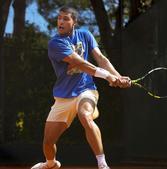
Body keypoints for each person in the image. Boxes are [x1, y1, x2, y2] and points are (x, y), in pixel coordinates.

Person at [31, 6, 131, 169]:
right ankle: (51, 163)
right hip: (63, 96)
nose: (60, 21)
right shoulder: (55, 43)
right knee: (48, 142)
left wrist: (118, 77)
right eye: (59, 18)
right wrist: (108, 76)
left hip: (86, 89)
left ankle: (102, 164)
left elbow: (101, 59)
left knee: (85, 115)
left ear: (74, 22)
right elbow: (80, 63)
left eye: (65, 18)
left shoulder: (85, 35)